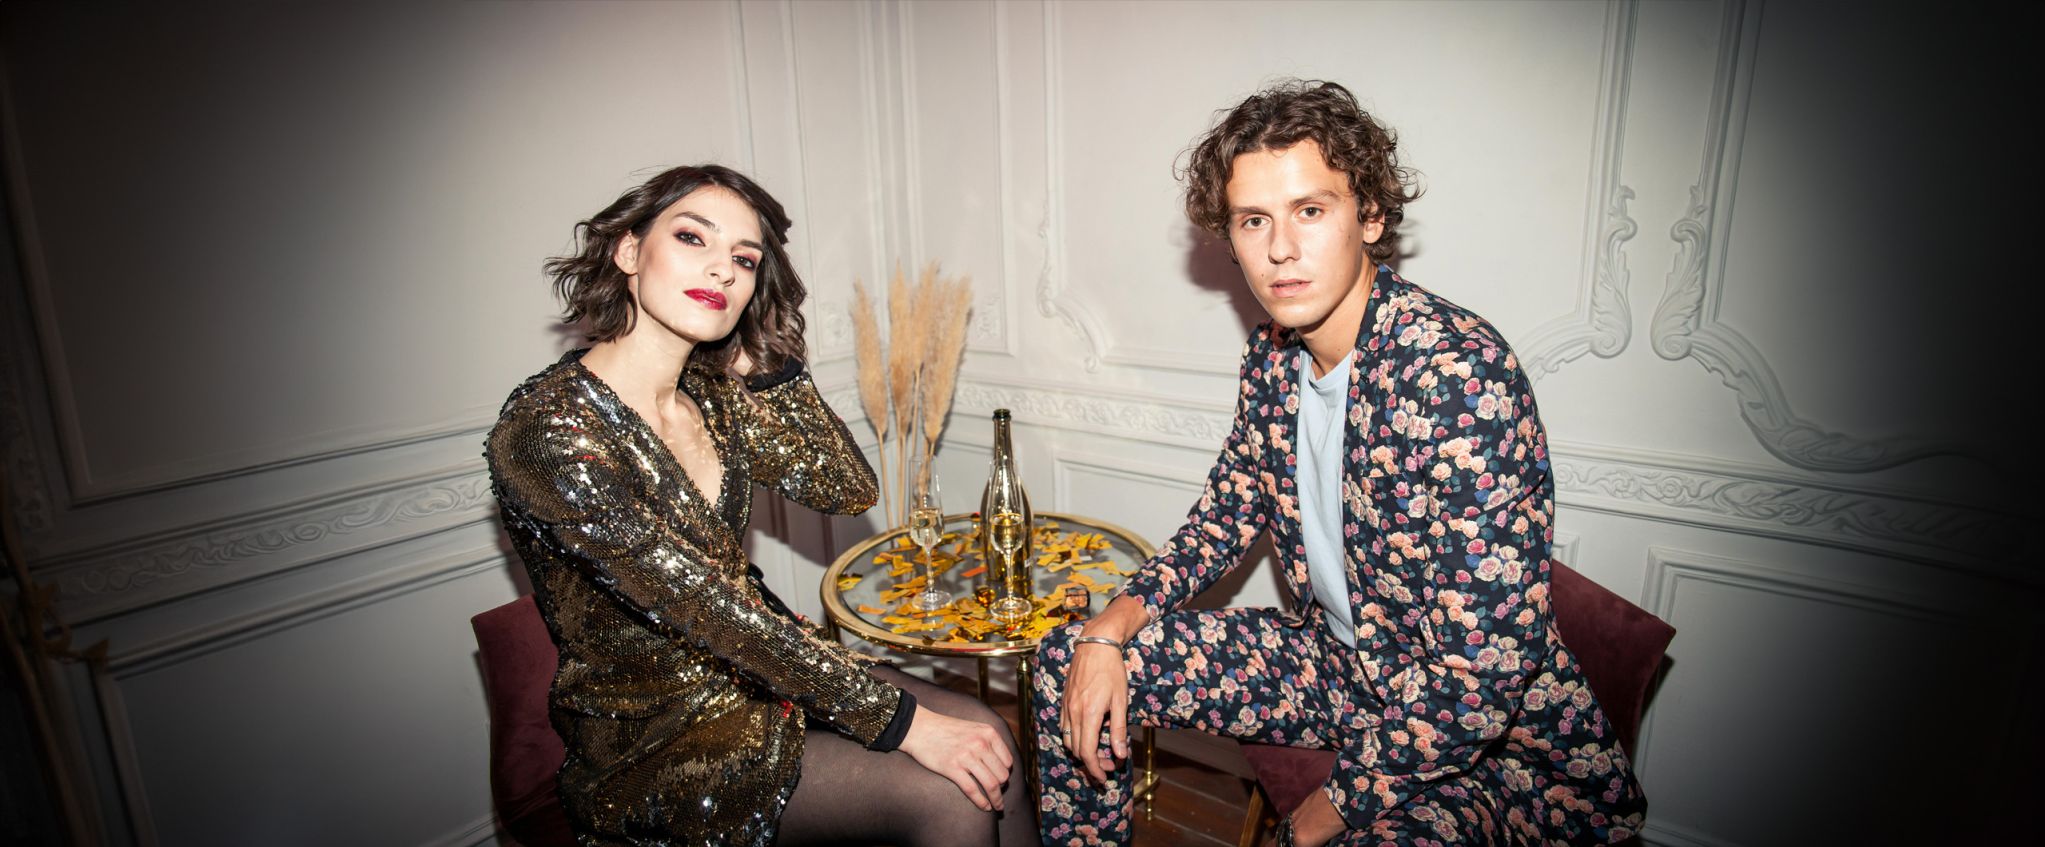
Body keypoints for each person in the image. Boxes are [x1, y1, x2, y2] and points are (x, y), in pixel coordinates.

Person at [1031, 81, 1648, 846]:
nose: (1279, 249)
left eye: (1310, 211)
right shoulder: (1271, 356)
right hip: (1337, 669)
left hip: (1493, 751)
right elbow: (1226, 515)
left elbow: (1481, 678)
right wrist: (1107, 629)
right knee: (1064, 658)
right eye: (1253, 220)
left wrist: (1319, 813)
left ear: (1371, 216)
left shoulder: (1457, 376)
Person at [486, 165, 1033, 847]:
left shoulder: (712, 397)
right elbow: (703, 607)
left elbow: (846, 487)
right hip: (654, 735)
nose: (723, 269)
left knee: (988, 733)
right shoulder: (547, 430)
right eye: (693, 238)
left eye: (744, 260)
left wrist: (771, 362)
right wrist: (904, 723)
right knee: (949, 791)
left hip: (758, 675)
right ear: (628, 251)